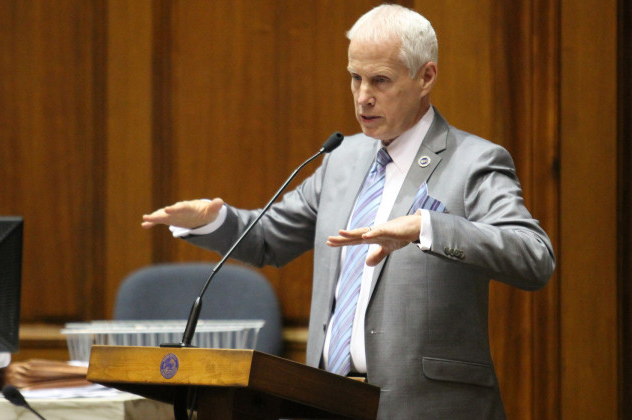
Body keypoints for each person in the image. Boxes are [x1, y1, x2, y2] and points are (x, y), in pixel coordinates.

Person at [142, 4, 555, 419]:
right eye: (355, 77)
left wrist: (426, 227)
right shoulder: (342, 159)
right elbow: (269, 238)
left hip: (428, 407)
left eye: (380, 80)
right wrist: (213, 221)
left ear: (426, 77)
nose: (362, 96)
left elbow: (534, 256)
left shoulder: (474, 162)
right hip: (326, 402)